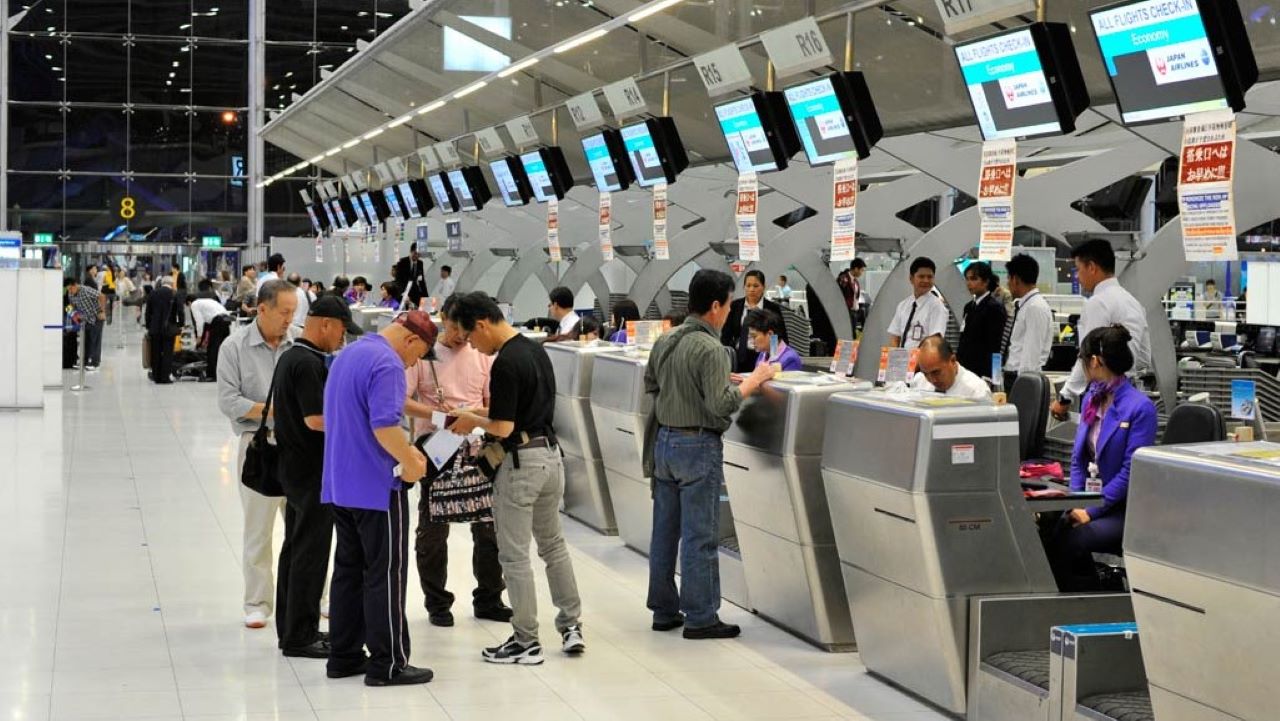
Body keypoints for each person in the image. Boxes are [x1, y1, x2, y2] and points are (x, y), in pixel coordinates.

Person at [448, 292, 585, 665]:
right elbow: (522, 406)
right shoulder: (535, 349)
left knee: (513, 554)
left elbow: (505, 425)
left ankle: (526, 640)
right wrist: (478, 409)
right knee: (553, 545)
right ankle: (571, 625)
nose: (473, 345)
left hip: (520, 465)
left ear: (482, 324)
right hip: (551, 458)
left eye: (471, 338)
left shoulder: (505, 363)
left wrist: (471, 420)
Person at [645, 270, 775, 640]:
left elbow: (651, 384)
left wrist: (680, 398)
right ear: (716, 306)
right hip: (697, 446)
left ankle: (664, 609)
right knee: (700, 533)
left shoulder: (666, 340)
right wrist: (752, 381)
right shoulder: (712, 349)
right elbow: (720, 406)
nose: (730, 311)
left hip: (665, 442)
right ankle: (701, 616)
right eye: (730, 304)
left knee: (664, 533)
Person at [322, 311, 435, 686]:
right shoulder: (388, 363)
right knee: (385, 574)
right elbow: (385, 425)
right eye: (419, 354)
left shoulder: (349, 355)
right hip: (376, 487)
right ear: (410, 339)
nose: (415, 362)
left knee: (348, 572)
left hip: (340, 483)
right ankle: (388, 665)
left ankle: (343, 656)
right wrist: (412, 461)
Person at [402, 296, 512, 629]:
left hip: (478, 447)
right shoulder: (424, 355)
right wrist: (440, 415)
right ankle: (437, 602)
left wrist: (480, 421)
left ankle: (490, 597)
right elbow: (402, 400)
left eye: (464, 330)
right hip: (436, 449)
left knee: (489, 527)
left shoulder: (483, 355)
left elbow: (493, 403)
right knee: (433, 530)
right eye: (452, 328)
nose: (460, 336)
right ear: (443, 320)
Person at [272, 296, 361, 659]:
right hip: (312, 473)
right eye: (342, 330)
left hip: (293, 468)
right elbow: (316, 420)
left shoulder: (290, 357)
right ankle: (301, 636)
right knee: (310, 552)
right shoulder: (308, 364)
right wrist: (361, 424)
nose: (343, 339)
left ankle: (292, 628)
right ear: (325, 323)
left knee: (294, 549)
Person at [1044, 325, 1157, 591]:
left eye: (1082, 360)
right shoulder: (1090, 400)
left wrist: (1092, 510)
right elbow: (1078, 460)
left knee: (1072, 540)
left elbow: (1130, 473)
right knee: (1049, 530)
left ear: (1094, 362)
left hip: (1122, 509)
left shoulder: (1140, 408)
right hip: (1089, 499)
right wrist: (1075, 501)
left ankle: (1085, 602)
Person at [216, 280, 298, 628]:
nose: (289, 319)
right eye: (284, 312)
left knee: (303, 526)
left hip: (299, 446)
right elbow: (229, 400)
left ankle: (310, 596)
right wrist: (277, 411)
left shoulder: (299, 344)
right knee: (258, 529)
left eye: (294, 312)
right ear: (261, 309)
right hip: (259, 447)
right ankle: (258, 602)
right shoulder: (234, 347)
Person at [1050, 240, 1152, 421]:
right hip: (1129, 393)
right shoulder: (1133, 302)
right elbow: (1144, 357)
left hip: (1102, 396)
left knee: (1095, 445)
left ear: (1091, 267)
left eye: (1078, 269)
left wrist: (1065, 397)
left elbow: (1088, 357)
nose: (1077, 277)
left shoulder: (1098, 303)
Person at [720, 270, 788, 372]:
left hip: (763, 357)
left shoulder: (772, 308)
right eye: (748, 286)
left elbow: (776, 336)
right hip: (738, 356)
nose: (751, 289)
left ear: (763, 287)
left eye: (756, 286)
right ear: (744, 287)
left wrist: (773, 358)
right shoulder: (735, 306)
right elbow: (726, 335)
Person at [1002, 254, 1054, 381]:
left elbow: (1032, 352)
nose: (1007, 283)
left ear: (1015, 279)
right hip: (1014, 374)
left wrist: (1024, 383)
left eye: (1008, 278)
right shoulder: (1026, 305)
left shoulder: (1035, 307)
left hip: (1020, 377)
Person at [957, 262, 1007, 380]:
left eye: (974, 279)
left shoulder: (994, 308)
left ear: (986, 281)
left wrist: (993, 376)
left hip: (983, 371)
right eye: (967, 279)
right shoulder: (969, 307)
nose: (969, 283)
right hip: (965, 368)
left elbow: (995, 345)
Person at [887, 257, 948, 350]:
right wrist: (893, 361)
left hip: (923, 361)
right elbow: (895, 337)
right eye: (921, 276)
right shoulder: (903, 305)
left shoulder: (936, 306)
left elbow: (935, 341)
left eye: (930, 277)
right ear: (911, 278)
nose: (926, 280)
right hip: (902, 361)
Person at [909, 335, 992, 401]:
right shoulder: (919, 381)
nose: (932, 380)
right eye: (925, 374)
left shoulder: (976, 390)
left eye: (936, 372)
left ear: (953, 361)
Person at [64, 276, 105, 370]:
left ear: (75, 285)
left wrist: (102, 311)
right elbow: (71, 306)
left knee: (94, 339)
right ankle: (85, 361)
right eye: (68, 289)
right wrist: (75, 317)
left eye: (70, 288)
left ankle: (94, 363)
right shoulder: (70, 294)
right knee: (86, 340)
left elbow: (102, 296)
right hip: (85, 320)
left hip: (96, 317)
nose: (69, 291)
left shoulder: (86, 290)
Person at [145, 277, 180, 383]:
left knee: (155, 352)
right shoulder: (174, 294)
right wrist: (180, 325)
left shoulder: (153, 293)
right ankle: (165, 377)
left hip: (155, 328)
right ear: (172, 284)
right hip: (169, 328)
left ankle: (156, 376)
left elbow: (148, 312)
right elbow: (179, 312)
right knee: (167, 352)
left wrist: (148, 326)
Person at [393, 243, 427, 307]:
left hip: (415, 292)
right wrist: (403, 294)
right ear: (411, 251)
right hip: (403, 291)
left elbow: (421, 281)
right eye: (415, 253)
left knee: (418, 309)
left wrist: (426, 297)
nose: (417, 256)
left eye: (419, 254)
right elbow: (398, 280)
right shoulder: (402, 262)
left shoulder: (420, 263)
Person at [837, 258, 867, 330]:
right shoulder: (844, 279)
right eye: (862, 270)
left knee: (853, 335)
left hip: (854, 313)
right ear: (856, 269)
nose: (862, 273)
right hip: (847, 313)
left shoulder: (855, 281)